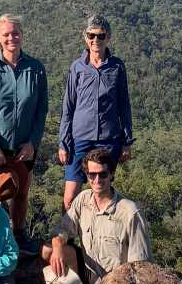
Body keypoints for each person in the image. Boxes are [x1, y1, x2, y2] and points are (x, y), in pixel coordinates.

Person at [45, 149, 151, 284]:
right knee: (51, 250)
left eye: (102, 174)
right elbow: (61, 229)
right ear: (86, 175)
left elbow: (141, 266)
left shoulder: (129, 212)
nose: (97, 180)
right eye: (91, 174)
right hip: (89, 277)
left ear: (112, 175)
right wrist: (58, 246)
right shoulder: (83, 200)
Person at [0, 14, 48, 244]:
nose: (11, 38)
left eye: (15, 33)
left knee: (21, 192)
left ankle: (18, 235)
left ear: (22, 35)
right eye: (6, 34)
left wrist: (33, 142)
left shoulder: (35, 69)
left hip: (24, 147)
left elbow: (40, 110)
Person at [56, 14, 134, 212]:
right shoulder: (78, 68)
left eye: (100, 36)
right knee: (70, 197)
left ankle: (98, 240)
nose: (95, 40)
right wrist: (63, 143)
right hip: (79, 138)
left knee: (102, 194)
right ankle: (68, 240)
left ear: (108, 37)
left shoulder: (117, 67)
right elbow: (68, 107)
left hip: (108, 139)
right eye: (91, 36)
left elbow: (124, 105)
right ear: (85, 37)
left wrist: (126, 141)